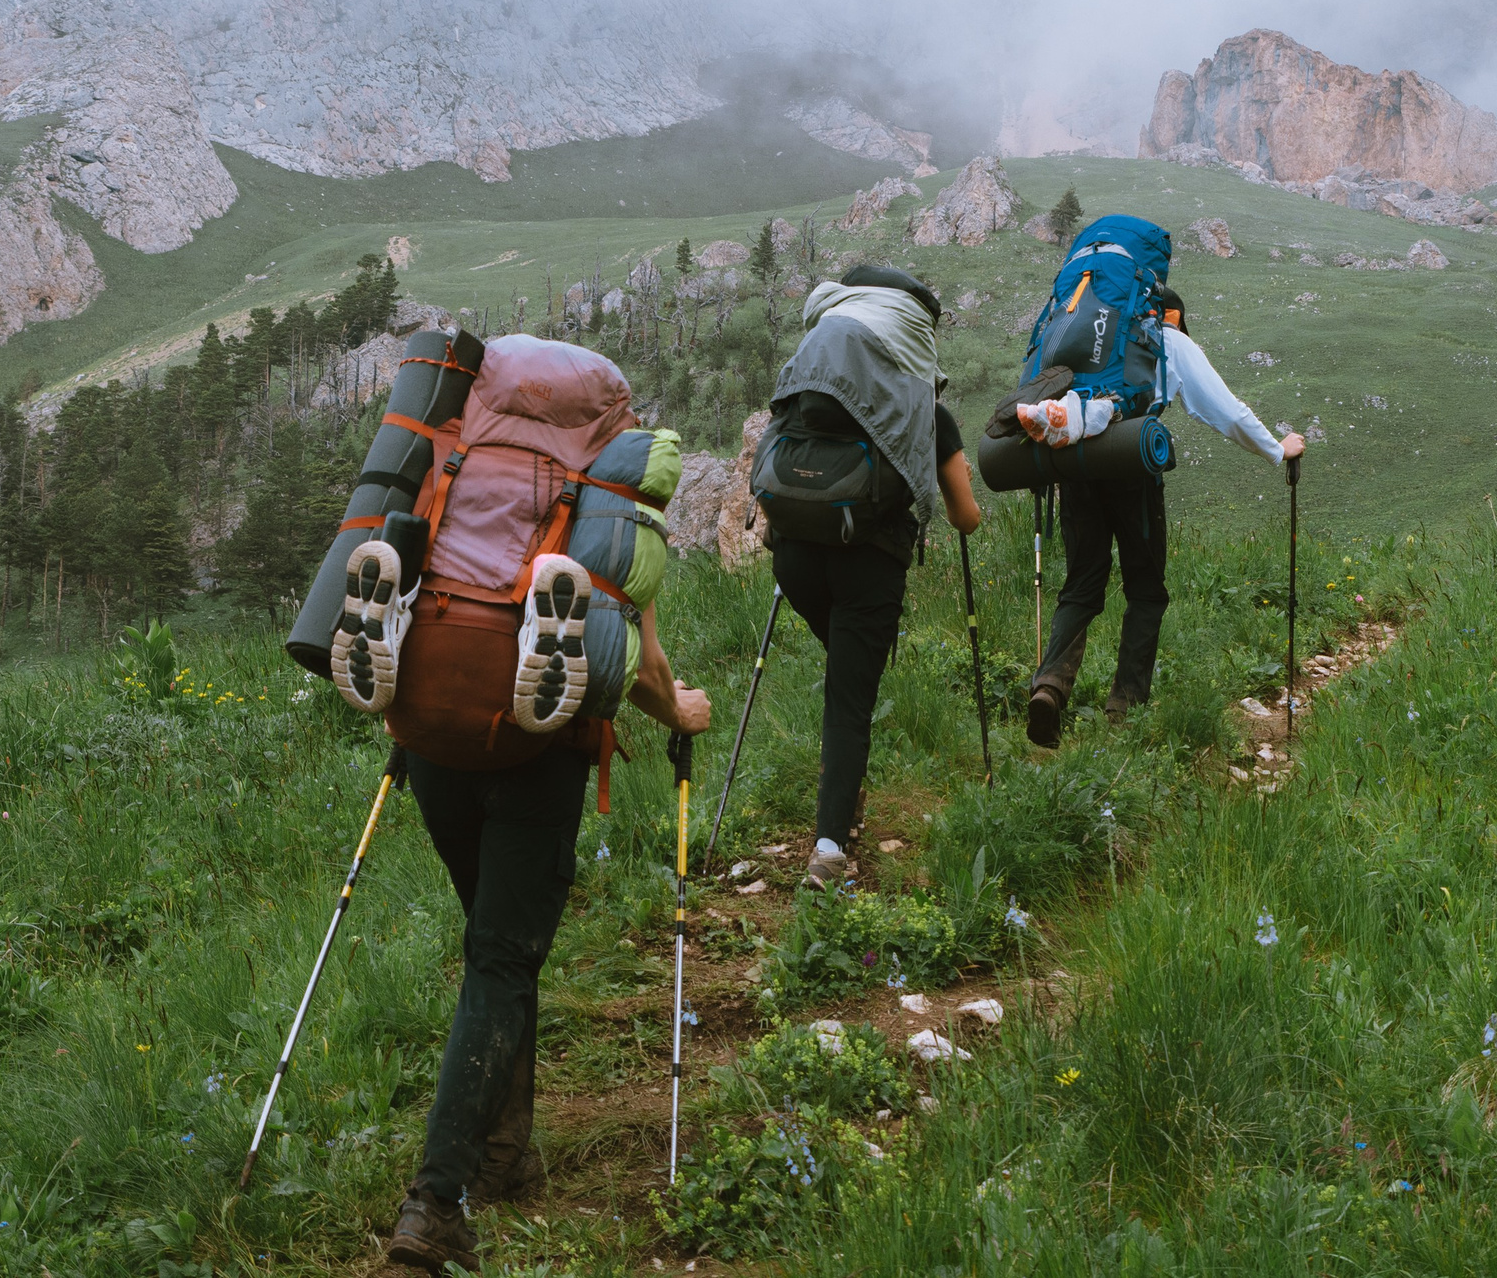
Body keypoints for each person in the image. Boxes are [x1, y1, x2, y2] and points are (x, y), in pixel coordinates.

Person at [381, 338, 712, 1274]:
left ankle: (505, 1151)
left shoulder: (455, 448)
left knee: (493, 937)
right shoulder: (609, 483)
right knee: (502, 956)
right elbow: (640, 662)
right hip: (537, 737)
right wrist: (680, 707)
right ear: (608, 414)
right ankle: (435, 1202)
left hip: (431, 714)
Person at [755, 264, 983, 891]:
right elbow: (965, 519)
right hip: (869, 563)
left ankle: (844, 802)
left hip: (796, 557)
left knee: (845, 673)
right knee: (850, 699)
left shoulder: (805, 397)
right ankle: (829, 849)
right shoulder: (923, 410)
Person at [1024, 284, 1304, 748]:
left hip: (1076, 467)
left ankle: (1050, 686)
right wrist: (1278, 449)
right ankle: (1124, 707)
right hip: (1132, 468)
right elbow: (1225, 411)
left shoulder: (1089, 338)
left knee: (1081, 586)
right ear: (1170, 315)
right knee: (1146, 590)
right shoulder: (1165, 340)